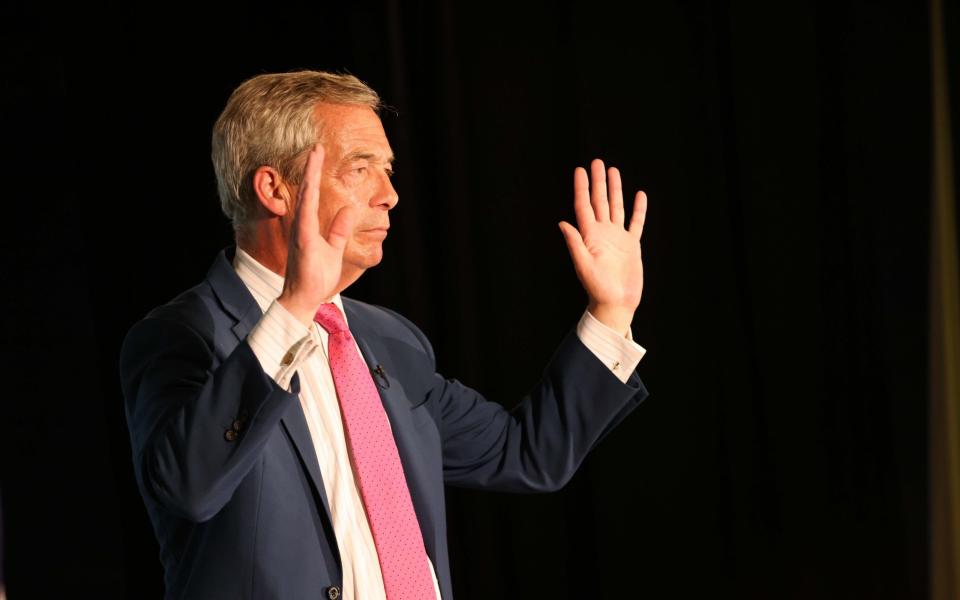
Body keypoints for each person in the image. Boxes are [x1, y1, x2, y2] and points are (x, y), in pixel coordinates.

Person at [120, 70, 650, 600]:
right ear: (275, 189)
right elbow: (188, 489)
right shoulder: (181, 336)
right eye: (360, 168)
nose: (391, 195)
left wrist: (610, 313)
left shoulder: (390, 341)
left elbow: (527, 454)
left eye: (388, 169)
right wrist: (295, 308)